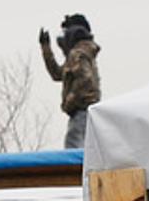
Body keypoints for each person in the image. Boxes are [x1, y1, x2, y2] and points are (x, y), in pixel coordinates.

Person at [37, 14, 101, 149]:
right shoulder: (81, 53)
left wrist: (70, 101)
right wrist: (46, 48)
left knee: (73, 149)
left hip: (81, 110)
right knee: (83, 149)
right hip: (85, 112)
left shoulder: (77, 53)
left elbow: (85, 78)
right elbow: (57, 74)